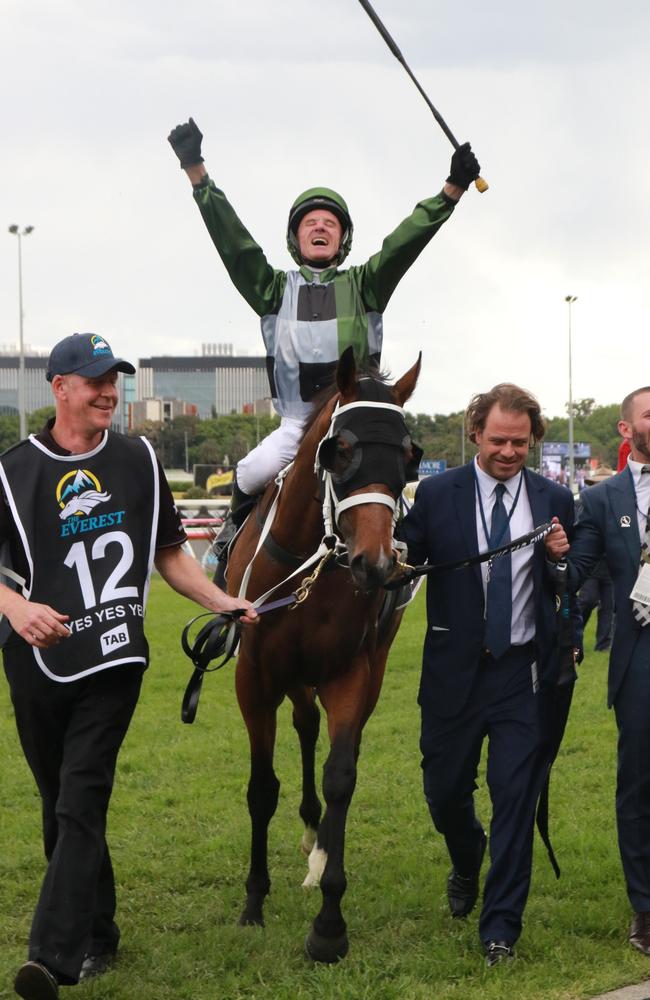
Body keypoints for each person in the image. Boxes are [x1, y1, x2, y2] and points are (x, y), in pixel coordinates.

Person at [0, 333, 256, 1000]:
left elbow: (168, 554)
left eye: (115, 380)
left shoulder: (139, 459)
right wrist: (16, 607)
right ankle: (101, 934)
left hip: (115, 655)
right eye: (94, 381)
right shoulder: (13, 469)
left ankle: (52, 956)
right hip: (36, 659)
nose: (109, 391)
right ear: (59, 388)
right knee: (60, 803)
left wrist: (221, 599)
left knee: (83, 794)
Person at [167, 117, 481, 548]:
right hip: (297, 425)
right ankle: (229, 545)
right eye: (310, 222)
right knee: (251, 471)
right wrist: (196, 171)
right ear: (296, 238)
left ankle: (400, 550)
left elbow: (404, 243)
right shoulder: (272, 290)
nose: (320, 226)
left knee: (389, 469)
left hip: (357, 423)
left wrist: (451, 191)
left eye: (330, 222)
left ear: (343, 238)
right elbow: (234, 244)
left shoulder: (366, 285)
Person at [400, 383, 576, 966]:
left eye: (520, 442)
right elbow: (403, 562)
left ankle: (500, 928)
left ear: (534, 439)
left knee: (515, 797)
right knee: (445, 792)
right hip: (453, 674)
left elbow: (566, 583)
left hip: (520, 674)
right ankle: (465, 852)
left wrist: (558, 560)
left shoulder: (553, 496)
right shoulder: (435, 493)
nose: (508, 451)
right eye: (498, 439)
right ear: (475, 432)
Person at [545, 385, 650, 957]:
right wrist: (560, 554)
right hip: (641, 661)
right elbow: (578, 569)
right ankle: (645, 906)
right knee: (638, 783)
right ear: (625, 428)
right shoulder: (604, 498)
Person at [575, 465, 615, 652]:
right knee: (588, 599)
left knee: (609, 605)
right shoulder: (585, 505)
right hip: (591, 564)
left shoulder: (620, 506)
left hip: (612, 564)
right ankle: (574, 631)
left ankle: (603, 645)